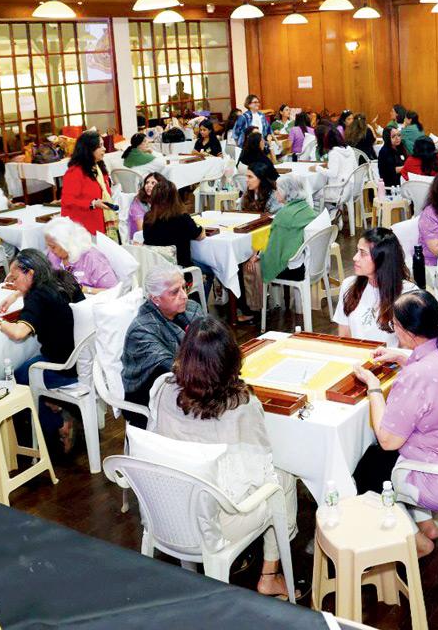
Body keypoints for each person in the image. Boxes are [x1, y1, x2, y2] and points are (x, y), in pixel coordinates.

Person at [146, 315, 299, 598]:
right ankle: (269, 575)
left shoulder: (163, 389)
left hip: (165, 505)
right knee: (283, 476)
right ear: (231, 358)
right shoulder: (242, 405)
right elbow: (261, 470)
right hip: (213, 522)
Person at [349, 289, 438, 558]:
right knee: (387, 454)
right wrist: (403, 357)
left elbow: (388, 440)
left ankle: (417, 540)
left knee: (368, 469)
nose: (394, 331)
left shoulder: (416, 376)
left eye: (395, 326)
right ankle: (426, 523)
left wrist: (374, 388)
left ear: (409, 332)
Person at [0, 249, 87, 450]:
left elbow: (19, 333)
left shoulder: (37, 297)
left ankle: (57, 425)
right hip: (84, 358)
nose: (12, 282)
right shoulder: (64, 278)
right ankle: (54, 404)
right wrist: (16, 294)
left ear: (30, 273)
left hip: (62, 366)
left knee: (15, 378)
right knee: (28, 366)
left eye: (14, 277)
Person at [122, 265, 205, 427]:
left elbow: (210, 345)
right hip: (149, 393)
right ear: (155, 299)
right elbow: (172, 366)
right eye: (175, 292)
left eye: (184, 287)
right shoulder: (141, 330)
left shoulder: (192, 308)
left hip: (187, 380)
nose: (184, 296)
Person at [335, 228, 417, 346]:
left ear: (382, 259)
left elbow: (409, 347)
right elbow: (344, 336)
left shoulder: (408, 294)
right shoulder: (349, 285)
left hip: (390, 361)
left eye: (363, 253)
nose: (355, 258)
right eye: (357, 251)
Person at [258, 174, 321, 284]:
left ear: (285, 192)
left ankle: (257, 301)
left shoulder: (284, 216)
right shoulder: (306, 208)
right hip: (313, 263)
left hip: (296, 269)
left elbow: (273, 251)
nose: (275, 192)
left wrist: (259, 255)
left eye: (277, 189)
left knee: (252, 265)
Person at [62, 130, 120, 238]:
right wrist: (92, 203)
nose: (105, 148)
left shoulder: (99, 167)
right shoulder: (75, 172)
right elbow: (67, 201)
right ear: (89, 149)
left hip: (101, 222)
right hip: (83, 228)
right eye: (100, 146)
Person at [43, 216, 119, 293]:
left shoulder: (93, 259)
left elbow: (113, 291)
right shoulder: (52, 256)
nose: (50, 250)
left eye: (53, 247)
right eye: (48, 246)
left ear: (66, 244)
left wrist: (83, 289)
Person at [142, 177, 204, 269]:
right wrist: (202, 228)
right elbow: (200, 236)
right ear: (175, 197)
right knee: (208, 265)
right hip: (180, 273)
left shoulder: (148, 218)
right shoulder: (182, 218)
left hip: (155, 273)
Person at [127, 171, 166, 240]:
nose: (148, 185)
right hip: (142, 241)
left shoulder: (162, 201)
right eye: (147, 182)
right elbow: (142, 231)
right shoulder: (138, 204)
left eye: (153, 183)